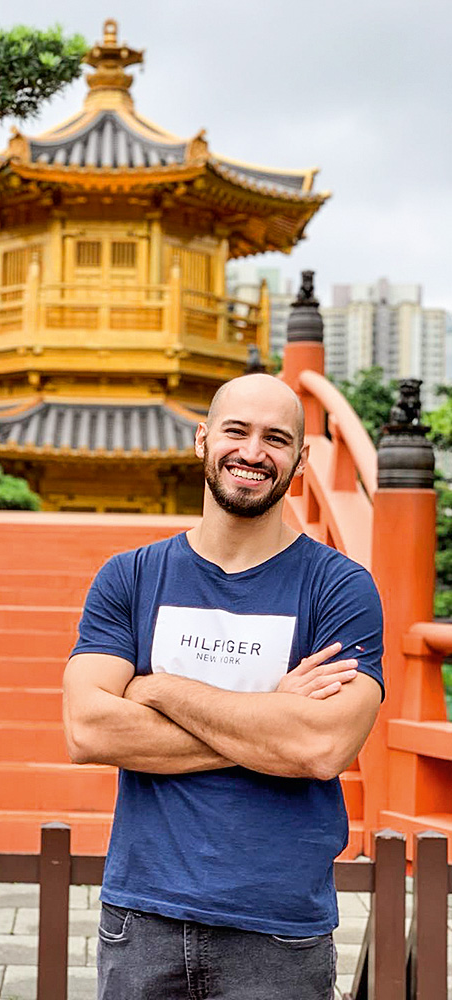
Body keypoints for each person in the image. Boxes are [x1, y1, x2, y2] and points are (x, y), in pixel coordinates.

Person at [62, 373, 383, 1000]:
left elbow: (321, 748)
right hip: (143, 914)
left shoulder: (339, 588)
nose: (253, 452)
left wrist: (157, 690)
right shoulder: (131, 577)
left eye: (276, 439)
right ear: (202, 440)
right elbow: (87, 728)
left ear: (301, 458)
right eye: (236, 431)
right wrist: (272, 719)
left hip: (278, 928)